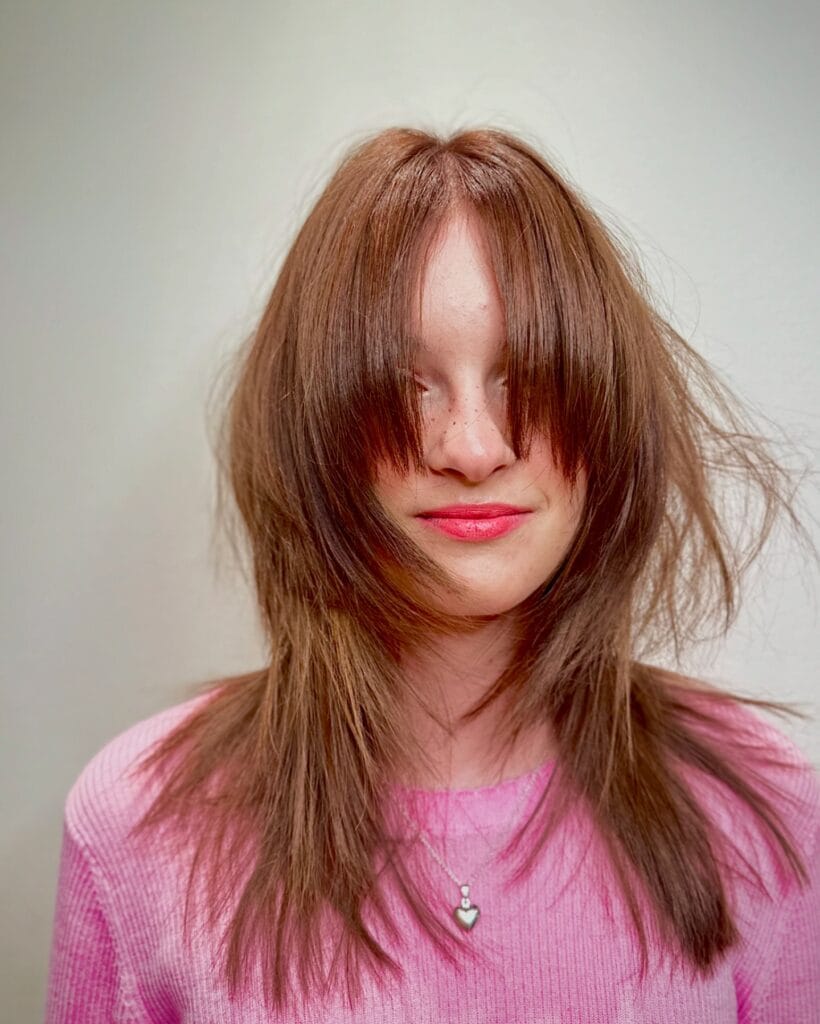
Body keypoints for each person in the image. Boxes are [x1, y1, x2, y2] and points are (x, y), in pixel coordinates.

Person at [45, 126, 819, 1023]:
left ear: (607, 415)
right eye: (406, 385)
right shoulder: (136, 826)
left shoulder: (764, 808)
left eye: (526, 377)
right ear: (319, 433)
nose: (473, 448)